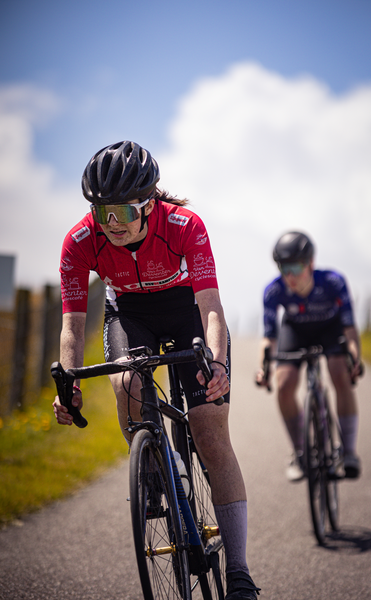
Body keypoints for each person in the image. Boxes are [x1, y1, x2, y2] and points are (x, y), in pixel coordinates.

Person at [53, 141, 260, 599]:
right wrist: (67, 381)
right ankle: (150, 468)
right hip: (130, 314)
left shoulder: (185, 225)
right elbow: (71, 325)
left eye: (123, 212)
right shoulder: (80, 241)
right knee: (126, 381)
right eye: (102, 211)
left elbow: (211, 307)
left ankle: (240, 571)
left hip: (186, 310)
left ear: (148, 204)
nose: (112, 224)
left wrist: (219, 363)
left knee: (209, 432)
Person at [255, 231, 362, 482]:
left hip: (330, 329)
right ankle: (300, 452)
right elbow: (268, 338)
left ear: (311, 263)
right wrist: (264, 368)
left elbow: (349, 330)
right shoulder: (273, 291)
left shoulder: (334, 282)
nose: (289, 276)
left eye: (295, 266)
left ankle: (349, 452)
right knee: (284, 384)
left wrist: (354, 359)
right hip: (295, 330)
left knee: (340, 373)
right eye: (283, 268)